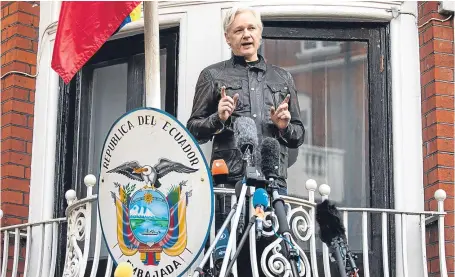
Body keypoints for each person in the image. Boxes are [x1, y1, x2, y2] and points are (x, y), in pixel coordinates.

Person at [186, 5, 305, 277]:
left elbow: (298, 135)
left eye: (251, 28)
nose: (246, 35)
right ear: (227, 37)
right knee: (225, 262)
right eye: (238, 30)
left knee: (271, 263)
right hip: (229, 185)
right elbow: (193, 130)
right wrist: (218, 118)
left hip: (272, 186)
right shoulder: (213, 75)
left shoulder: (282, 78)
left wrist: (283, 126)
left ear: (260, 34)